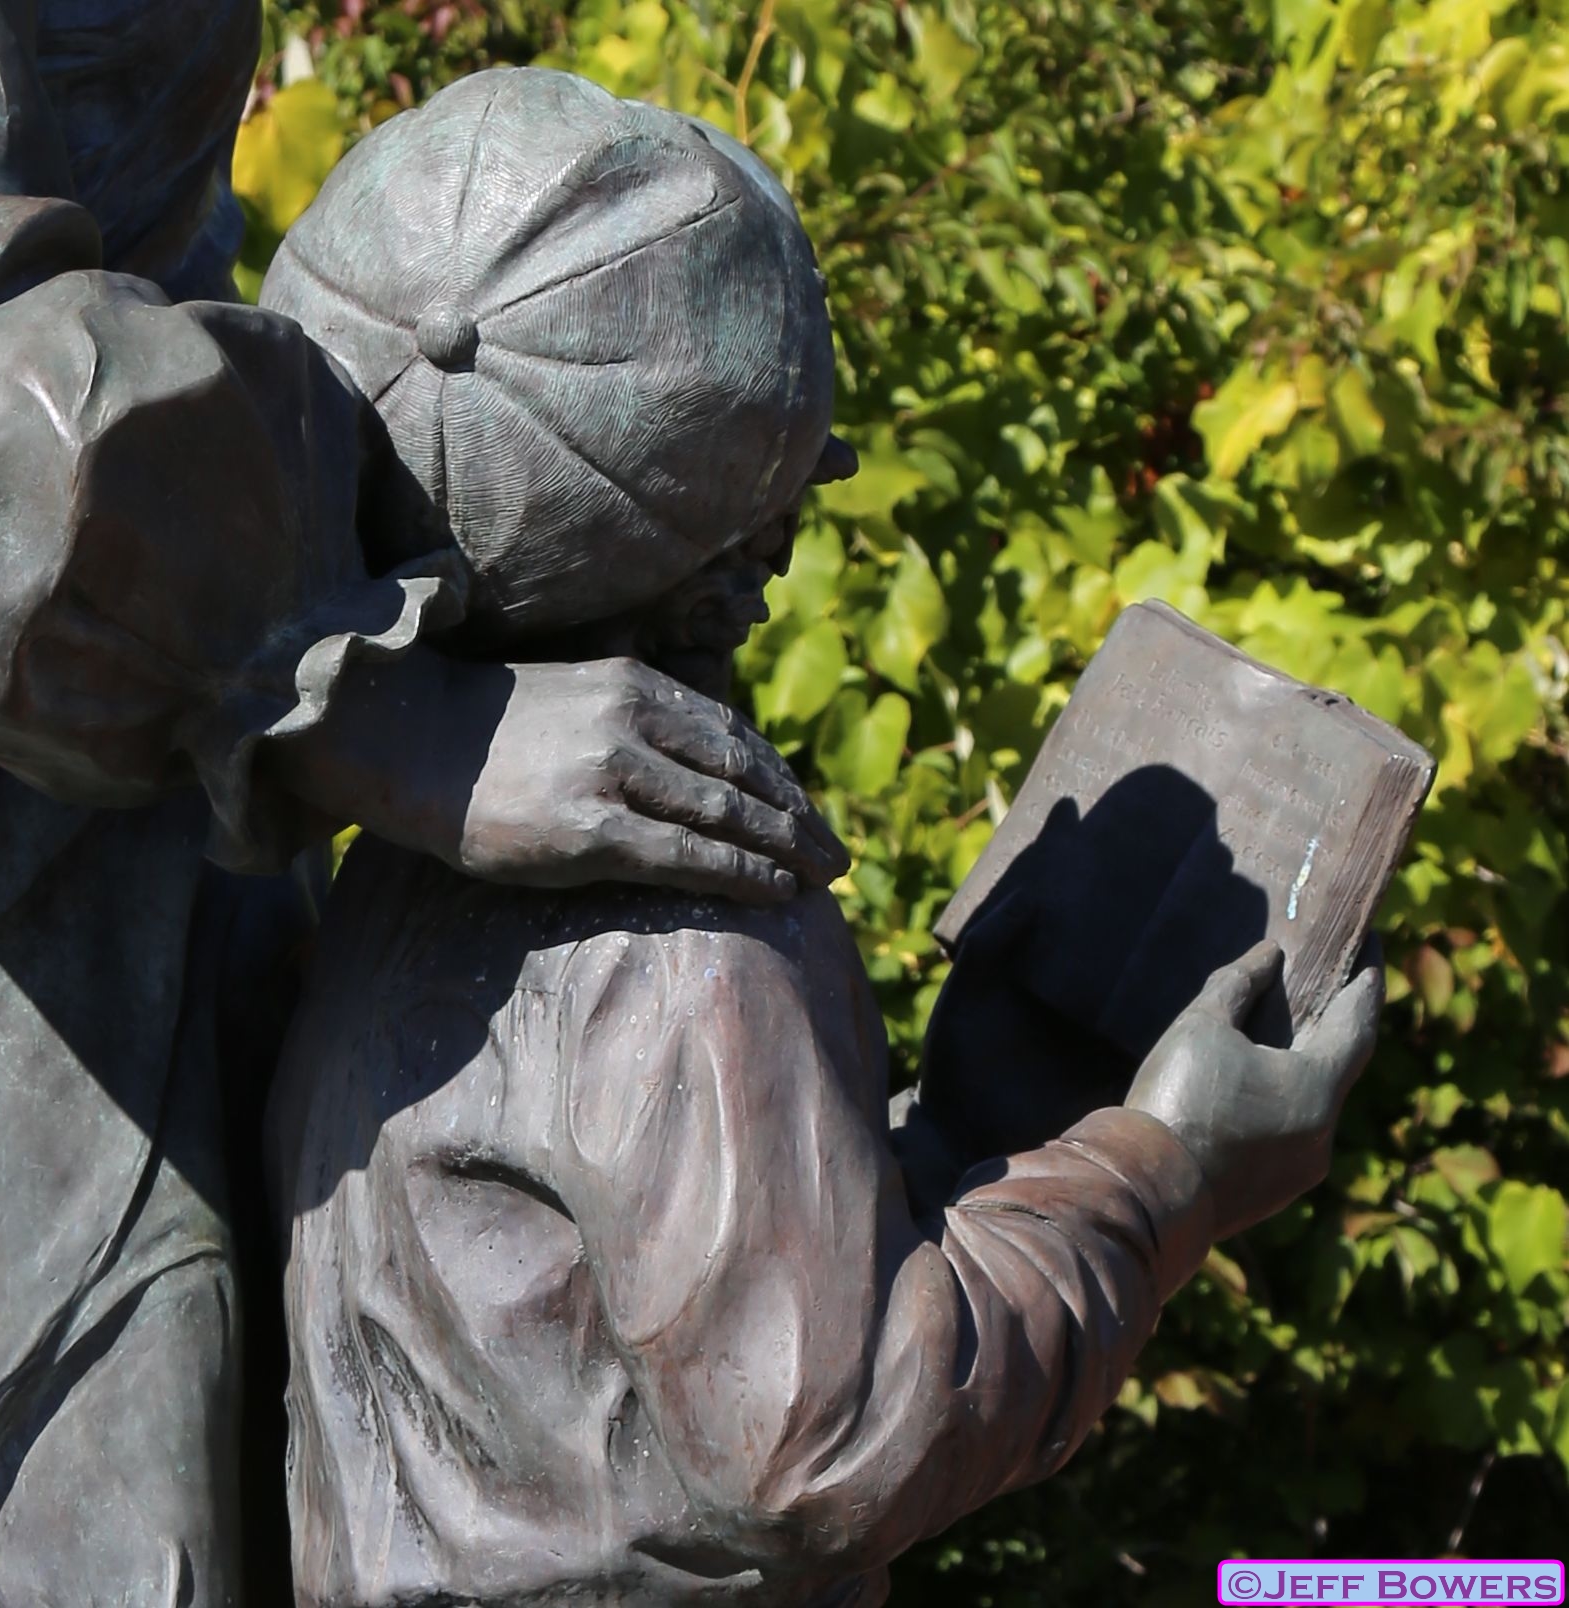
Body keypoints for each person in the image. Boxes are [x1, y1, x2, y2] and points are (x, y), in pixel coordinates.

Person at [267, 68, 1383, 1608]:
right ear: (752, 549)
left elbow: (603, 1312)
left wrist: (970, 1139)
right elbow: (832, 1448)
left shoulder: (399, 839)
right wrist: (1166, 1171)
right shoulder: (691, 937)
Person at [0, 9, 844, 1604]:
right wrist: (1140, 1175)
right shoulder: (687, 971)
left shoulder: (450, 921)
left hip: (158, 771)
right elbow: (819, 1444)